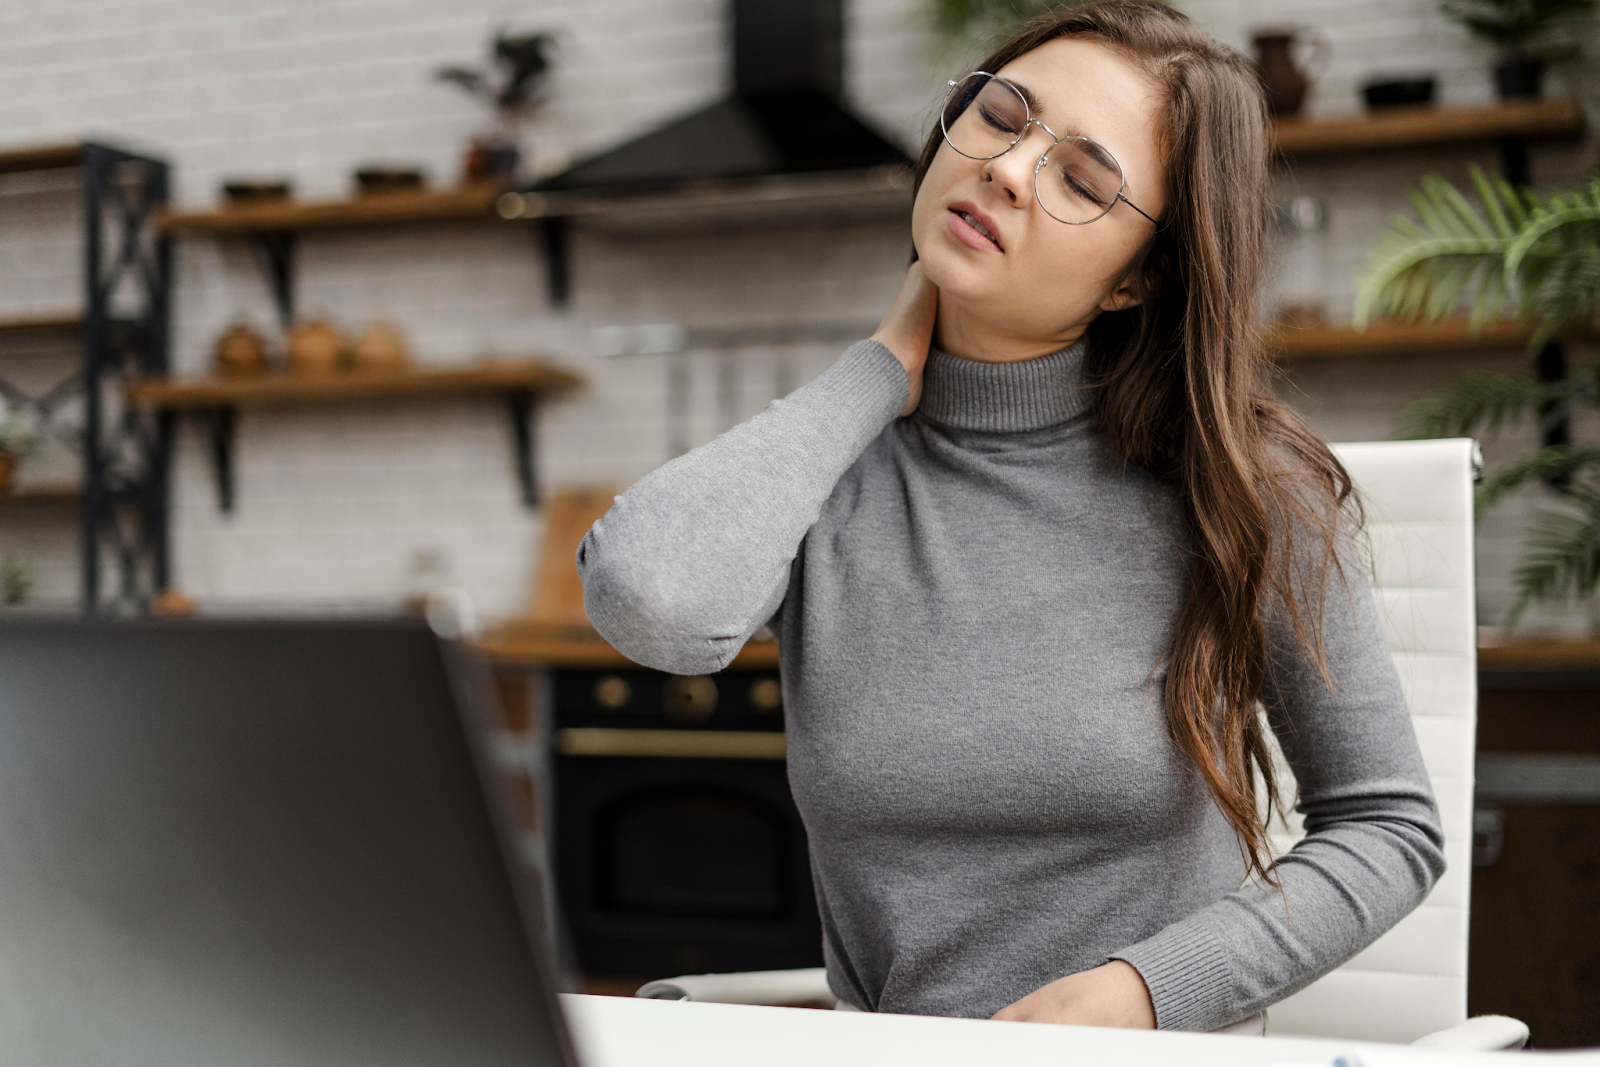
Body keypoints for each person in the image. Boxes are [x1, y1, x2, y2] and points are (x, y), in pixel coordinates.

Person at [577, 0, 1445, 1033]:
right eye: (999, 117)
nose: (1006, 168)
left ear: (1138, 279)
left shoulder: (1246, 489)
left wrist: (1145, 990)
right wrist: (872, 374)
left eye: (1081, 178)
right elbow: (651, 600)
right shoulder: (828, 467)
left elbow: (1388, 825)